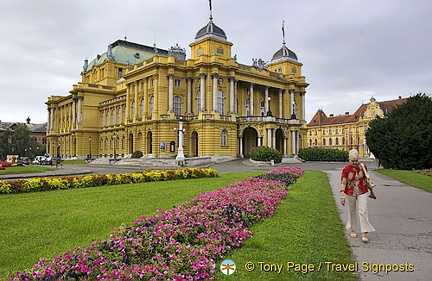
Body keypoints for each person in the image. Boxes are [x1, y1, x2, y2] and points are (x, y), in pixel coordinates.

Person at [340, 149, 376, 243]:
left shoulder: (362, 166)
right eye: (353, 161)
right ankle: (353, 229)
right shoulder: (346, 169)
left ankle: (364, 232)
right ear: (349, 160)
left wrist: (371, 191)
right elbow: (343, 182)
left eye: (356, 161)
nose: (355, 163)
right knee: (352, 211)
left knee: (363, 211)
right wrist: (342, 195)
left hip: (362, 190)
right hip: (350, 191)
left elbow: (367, 180)